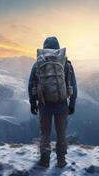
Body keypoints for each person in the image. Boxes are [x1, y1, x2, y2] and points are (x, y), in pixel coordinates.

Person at [28, 36, 77, 168]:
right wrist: (72, 104)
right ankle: (61, 160)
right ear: (58, 47)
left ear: (44, 47)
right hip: (61, 104)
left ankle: (45, 160)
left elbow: (31, 84)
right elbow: (73, 84)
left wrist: (33, 103)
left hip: (44, 104)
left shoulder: (38, 63)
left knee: (45, 133)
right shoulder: (65, 63)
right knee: (61, 133)